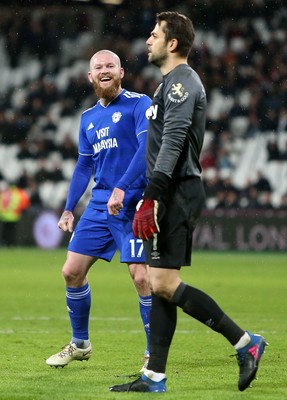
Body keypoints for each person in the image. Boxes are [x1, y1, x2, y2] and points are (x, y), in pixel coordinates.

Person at [109, 12, 267, 393]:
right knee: (161, 283)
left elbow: (174, 142)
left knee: (163, 282)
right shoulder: (172, 83)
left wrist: (151, 197)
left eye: (154, 34)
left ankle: (246, 343)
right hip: (173, 189)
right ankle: (154, 376)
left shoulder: (180, 84)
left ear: (172, 43)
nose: (147, 41)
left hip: (174, 190)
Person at [45, 50, 152, 371]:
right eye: (97, 67)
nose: (104, 70)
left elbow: (148, 149)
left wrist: (124, 187)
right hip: (99, 204)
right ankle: (80, 343)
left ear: (121, 72)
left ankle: (152, 352)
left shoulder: (139, 104)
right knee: (71, 271)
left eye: (109, 65)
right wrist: (68, 208)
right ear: (90, 77)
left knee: (142, 276)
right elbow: (84, 166)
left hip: (133, 202)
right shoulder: (88, 118)